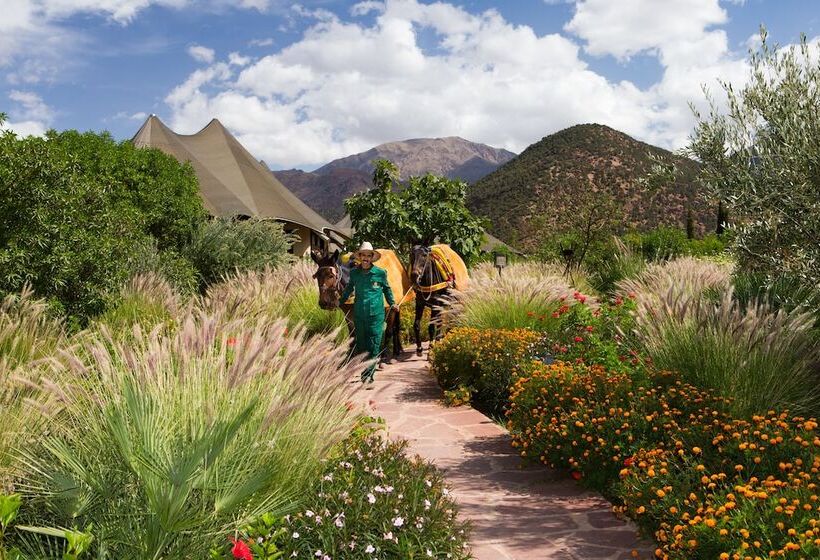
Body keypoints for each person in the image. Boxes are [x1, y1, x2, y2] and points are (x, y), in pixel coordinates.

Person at [339, 242, 398, 383]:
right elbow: (348, 289)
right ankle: (366, 373)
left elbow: (387, 289)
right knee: (362, 346)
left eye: (368, 255)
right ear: (359, 257)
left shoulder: (380, 273)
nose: (365, 258)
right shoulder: (354, 274)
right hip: (359, 315)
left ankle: (367, 377)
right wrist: (340, 302)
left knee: (374, 345)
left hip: (376, 315)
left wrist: (392, 303)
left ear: (372, 257)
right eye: (363, 255)